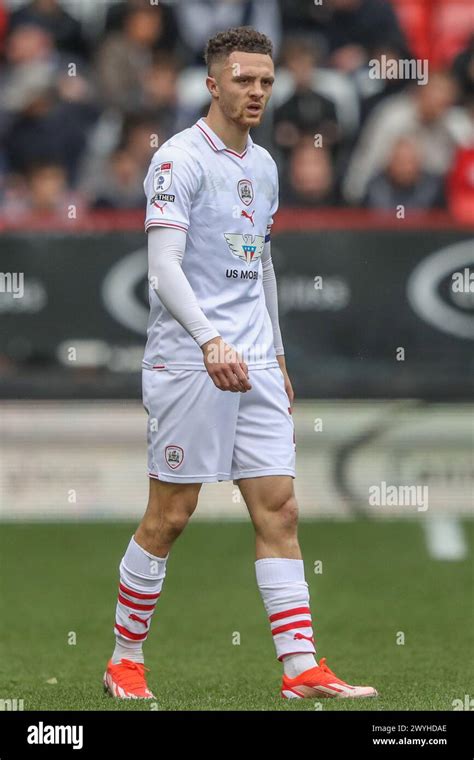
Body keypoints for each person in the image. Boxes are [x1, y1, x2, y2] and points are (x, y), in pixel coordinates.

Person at [102, 26, 378, 702]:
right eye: (243, 80)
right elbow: (163, 268)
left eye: (264, 80)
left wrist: (276, 353)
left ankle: (300, 667)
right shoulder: (177, 159)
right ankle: (123, 660)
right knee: (171, 514)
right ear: (213, 83)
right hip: (190, 360)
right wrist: (208, 341)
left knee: (279, 510)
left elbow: (262, 266)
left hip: (254, 358)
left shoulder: (264, 164)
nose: (256, 91)